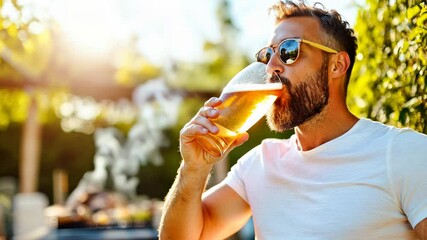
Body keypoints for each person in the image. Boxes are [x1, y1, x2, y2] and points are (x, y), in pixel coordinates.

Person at [158, 1, 427, 239]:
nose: (271, 66)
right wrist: (192, 170)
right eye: (268, 54)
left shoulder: (404, 153)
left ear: (337, 65)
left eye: (289, 50)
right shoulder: (260, 162)